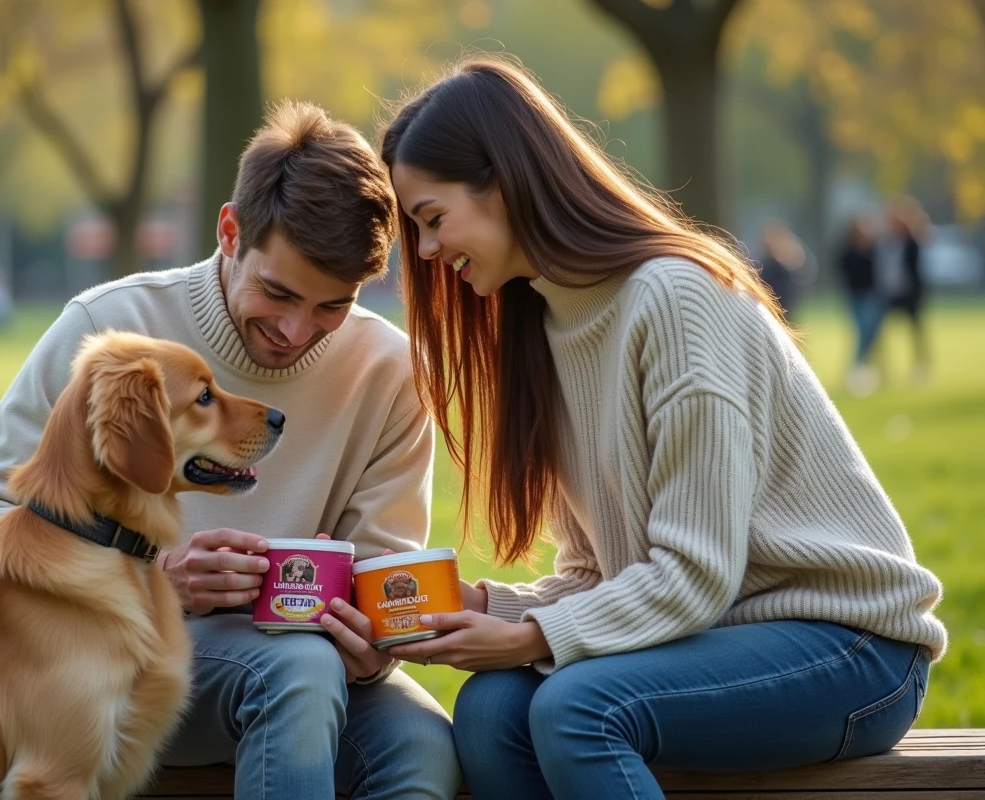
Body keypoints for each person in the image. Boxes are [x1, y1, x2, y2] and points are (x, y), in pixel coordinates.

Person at [378, 57, 945, 800]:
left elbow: (695, 574)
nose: (424, 252)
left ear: (506, 181)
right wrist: (492, 609)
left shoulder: (673, 300)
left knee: (577, 707)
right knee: (491, 710)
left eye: (431, 219)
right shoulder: (543, 328)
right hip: (709, 638)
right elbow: (597, 575)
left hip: (851, 648)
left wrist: (530, 639)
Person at [0, 101, 461, 800]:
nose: (298, 331)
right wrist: (151, 582)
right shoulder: (111, 328)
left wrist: (371, 648)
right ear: (230, 231)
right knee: (296, 668)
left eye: (333, 306)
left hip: (312, 670)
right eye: (278, 292)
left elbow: (381, 569)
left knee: (420, 743)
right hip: (104, 669)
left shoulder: (390, 370)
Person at [875, 197, 931, 386]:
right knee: (881, 332)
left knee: (915, 331)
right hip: (888, 293)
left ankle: (920, 367)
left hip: (909, 293)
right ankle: (883, 370)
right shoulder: (884, 241)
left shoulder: (912, 242)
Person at [837, 214, 882, 396]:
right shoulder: (847, 251)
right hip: (856, 296)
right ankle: (859, 366)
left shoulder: (873, 249)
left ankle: (862, 366)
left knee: (870, 331)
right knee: (862, 330)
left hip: (871, 295)